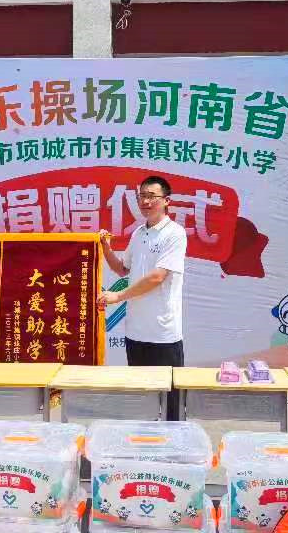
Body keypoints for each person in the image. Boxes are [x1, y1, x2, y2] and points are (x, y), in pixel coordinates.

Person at [98, 175, 188, 421]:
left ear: (166, 201)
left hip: (163, 334)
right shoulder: (139, 233)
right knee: (143, 403)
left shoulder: (175, 234)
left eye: (151, 196)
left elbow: (157, 277)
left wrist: (118, 295)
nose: (145, 202)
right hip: (136, 333)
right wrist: (106, 247)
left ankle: (172, 444)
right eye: (142, 197)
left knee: (171, 407)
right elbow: (122, 269)